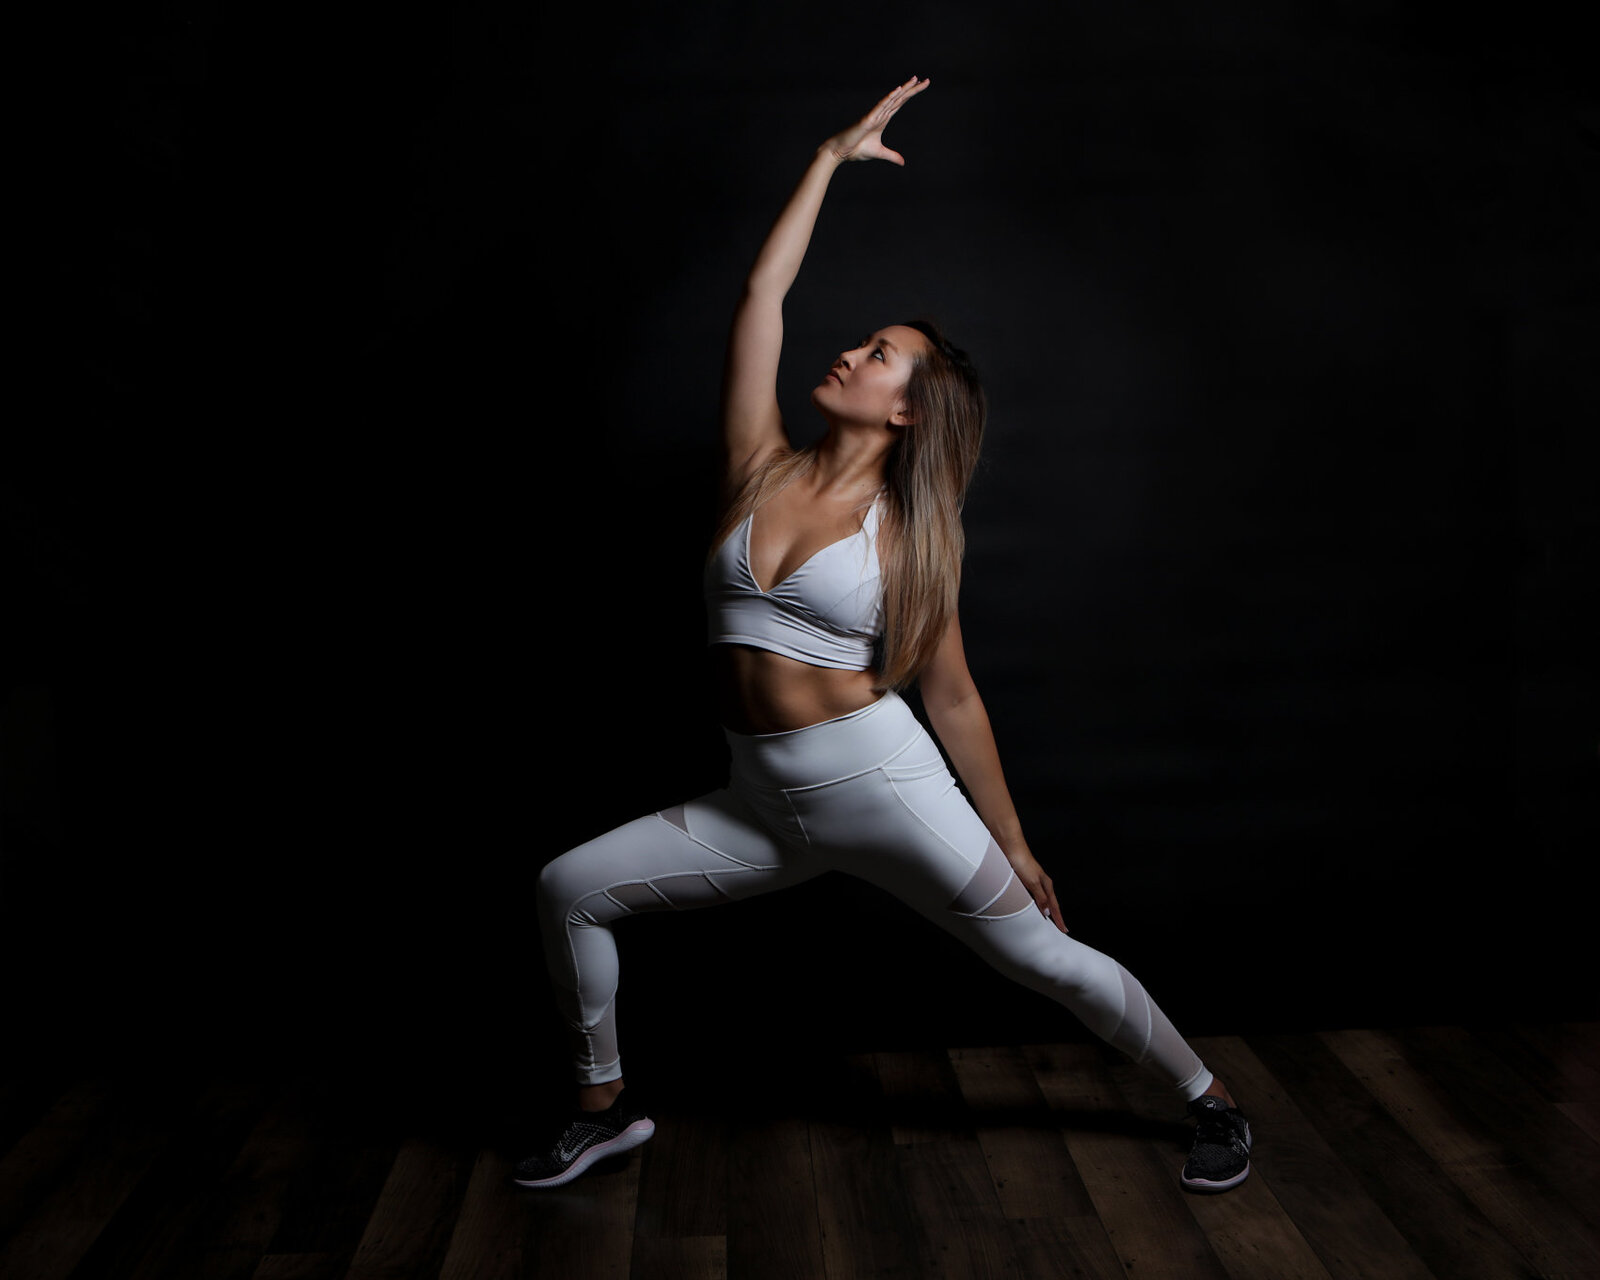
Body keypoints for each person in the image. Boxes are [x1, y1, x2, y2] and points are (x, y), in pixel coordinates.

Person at [518, 77, 1252, 1195]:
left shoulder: (908, 536)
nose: (852, 354)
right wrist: (826, 156)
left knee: (1039, 957)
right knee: (569, 884)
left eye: (879, 354)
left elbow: (952, 696)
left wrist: (1012, 838)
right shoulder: (757, 465)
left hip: (880, 785)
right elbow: (760, 297)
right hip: (760, 799)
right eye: (861, 340)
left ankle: (1210, 1098)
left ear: (907, 409)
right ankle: (603, 1105)